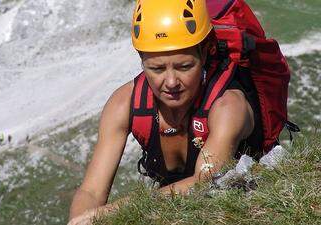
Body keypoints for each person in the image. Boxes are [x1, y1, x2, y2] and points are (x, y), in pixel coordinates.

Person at [68, 0, 289, 224]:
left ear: (204, 53)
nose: (171, 82)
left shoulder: (228, 106)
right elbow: (92, 192)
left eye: (184, 67)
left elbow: (204, 181)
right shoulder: (123, 103)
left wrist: (110, 212)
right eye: (157, 69)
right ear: (141, 59)